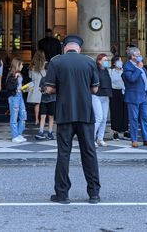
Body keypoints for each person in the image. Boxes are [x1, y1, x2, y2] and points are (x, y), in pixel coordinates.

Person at [43, 35, 101, 205]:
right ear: (79, 48)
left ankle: (62, 194)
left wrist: (49, 89)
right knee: (89, 152)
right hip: (85, 114)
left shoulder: (56, 62)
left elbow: (50, 88)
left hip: (65, 113)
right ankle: (94, 194)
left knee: (63, 154)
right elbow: (95, 89)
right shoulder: (89, 62)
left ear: (65, 47)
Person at [122, 47, 147, 148]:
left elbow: (145, 79)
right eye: (138, 55)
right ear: (132, 56)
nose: (140, 57)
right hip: (133, 97)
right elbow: (131, 79)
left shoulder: (141, 65)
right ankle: (134, 139)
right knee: (133, 119)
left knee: (145, 118)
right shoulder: (127, 66)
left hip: (143, 96)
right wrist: (138, 68)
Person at [92, 53, 113, 147]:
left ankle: (100, 138)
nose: (106, 62)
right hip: (96, 96)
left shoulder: (106, 70)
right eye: (104, 60)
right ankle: (91, 139)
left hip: (105, 95)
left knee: (104, 118)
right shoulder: (95, 70)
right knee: (99, 118)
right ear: (99, 61)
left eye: (107, 60)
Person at [6, 58, 27, 143]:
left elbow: (19, 87)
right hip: (14, 97)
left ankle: (19, 134)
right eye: (21, 64)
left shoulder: (19, 74)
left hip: (20, 96)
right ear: (17, 65)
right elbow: (9, 87)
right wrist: (15, 78)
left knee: (23, 115)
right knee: (14, 117)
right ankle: (15, 136)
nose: (22, 66)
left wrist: (24, 89)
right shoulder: (11, 75)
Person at [108, 55, 129, 140]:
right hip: (114, 92)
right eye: (119, 60)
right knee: (115, 111)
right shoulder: (110, 71)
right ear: (114, 62)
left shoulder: (124, 71)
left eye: (121, 60)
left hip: (124, 92)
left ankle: (125, 131)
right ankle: (115, 131)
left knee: (125, 112)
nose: (121, 62)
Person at [35, 70, 56, 140]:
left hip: (53, 100)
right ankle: (41, 132)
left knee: (51, 116)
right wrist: (43, 90)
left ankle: (50, 132)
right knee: (42, 116)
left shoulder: (55, 79)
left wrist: (50, 90)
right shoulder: (43, 78)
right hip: (43, 100)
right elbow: (40, 88)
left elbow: (57, 89)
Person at [28, 50, 46, 124]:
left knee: (37, 104)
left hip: (35, 86)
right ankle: (43, 120)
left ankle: (36, 120)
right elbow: (45, 76)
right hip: (42, 86)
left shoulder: (32, 66)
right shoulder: (44, 65)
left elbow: (30, 76)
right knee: (44, 104)